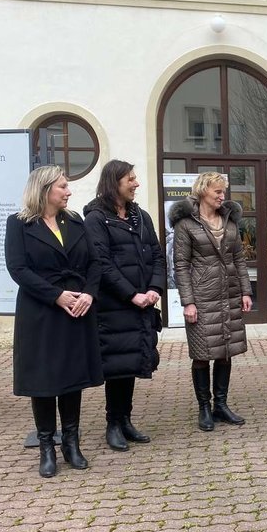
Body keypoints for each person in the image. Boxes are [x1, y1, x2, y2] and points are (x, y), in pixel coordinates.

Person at [4, 166, 104, 478]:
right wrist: (57, 295)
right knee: (44, 381)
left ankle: (71, 443)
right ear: (45, 190)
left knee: (72, 377)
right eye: (62, 186)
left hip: (77, 310)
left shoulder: (74, 221)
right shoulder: (19, 224)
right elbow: (18, 269)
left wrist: (88, 294)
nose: (68, 192)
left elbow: (94, 263)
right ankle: (47, 446)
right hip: (42, 313)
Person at [84, 160, 166, 452]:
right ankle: (113, 424)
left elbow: (157, 255)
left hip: (141, 306)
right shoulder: (95, 219)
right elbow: (101, 264)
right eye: (130, 179)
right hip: (114, 306)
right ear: (114, 182)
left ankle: (126, 420)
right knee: (116, 366)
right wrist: (132, 294)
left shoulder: (140, 216)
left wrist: (155, 288)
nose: (136, 183)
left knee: (131, 364)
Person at [170, 172, 252, 431]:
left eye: (223, 192)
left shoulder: (229, 222)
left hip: (228, 294)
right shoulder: (185, 225)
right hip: (202, 297)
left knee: (226, 352)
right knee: (203, 354)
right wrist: (188, 302)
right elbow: (180, 265)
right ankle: (204, 407)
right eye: (217, 191)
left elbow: (239, 259)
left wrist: (246, 292)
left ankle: (222, 406)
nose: (221, 196)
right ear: (203, 190)